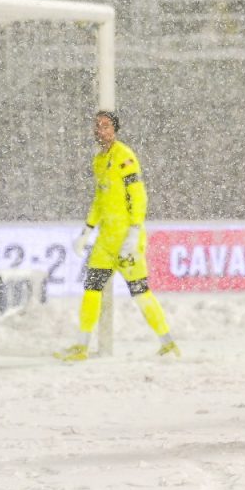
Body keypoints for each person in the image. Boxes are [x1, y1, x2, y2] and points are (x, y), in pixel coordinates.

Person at [55, 111, 178, 361]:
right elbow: (100, 200)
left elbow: (138, 195)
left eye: (106, 126)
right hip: (106, 241)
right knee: (92, 287)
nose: (100, 130)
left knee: (140, 291)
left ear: (115, 130)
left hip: (125, 238)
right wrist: (87, 230)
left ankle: (168, 343)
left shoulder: (124, 156)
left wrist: (135, 229)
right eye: (97, 126)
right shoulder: (99, 160)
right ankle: (82, 346)